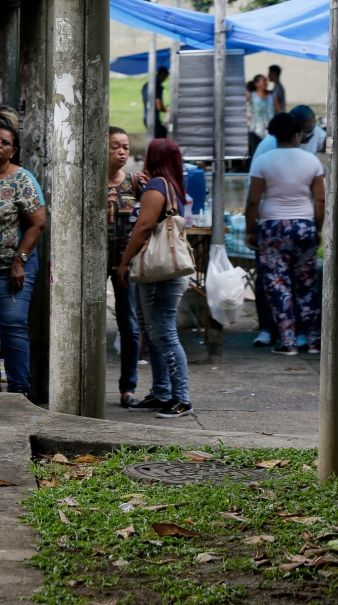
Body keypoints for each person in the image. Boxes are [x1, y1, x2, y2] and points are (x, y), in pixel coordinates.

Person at [117, 138, 194, 418]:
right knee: (154, 334)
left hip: (156, 273)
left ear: (153, 158)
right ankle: (162, 392)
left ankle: (181, 398)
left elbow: (144, 226)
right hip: (162, 273)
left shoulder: (158, 186)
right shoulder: (167, 185)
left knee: (164, 334)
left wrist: (124, 262)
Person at [0, 124, 45, 397]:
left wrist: (19, 260)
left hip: (11, 267)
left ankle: (19, 392)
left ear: (13, 151)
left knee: (13, 326)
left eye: (5, 142)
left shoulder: (22, 179)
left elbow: (36, 224)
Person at [245, 113, 325, 356]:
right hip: (304, 227)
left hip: (272, 229)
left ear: (272, 134)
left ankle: (288, 342)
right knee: (306, 283)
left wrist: (250, 231)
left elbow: (253, 201)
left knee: (278, 285)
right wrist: (318, 228)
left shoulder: (263, 161)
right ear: (297, 134)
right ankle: (312, 341)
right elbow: (320, 199)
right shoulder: (312, 161)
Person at [106, 127, 143, 408]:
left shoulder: (135, 184)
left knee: (129, 325)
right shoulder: (89, 185)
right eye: (115, 146)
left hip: (125, 265)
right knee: (88, 326)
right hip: (94, 266)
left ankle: (128, 388)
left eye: (126, 147)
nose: (122, 152)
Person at [252, 104, 325, 160]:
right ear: (295, 131)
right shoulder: (270, 144)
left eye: (313, 129)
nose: (311, 135)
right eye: (307, 132)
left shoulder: (314, 130)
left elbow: (330, 145)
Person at [247, 74, 279, 155]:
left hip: (271, 130)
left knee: (271, 152)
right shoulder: (251, 95)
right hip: (255, 130)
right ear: (257, 84)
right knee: (256, 152)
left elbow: (279, 110)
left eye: (266, 81)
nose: (266, 83)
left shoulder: (272, 95)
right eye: (264, 81)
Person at [142, 66, 170, 139]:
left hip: (146, 117)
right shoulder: (157, 86)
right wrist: (166, 110)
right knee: (161, 139)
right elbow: (159, 106)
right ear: (163, 75)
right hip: (154, 119)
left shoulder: (146, 85)